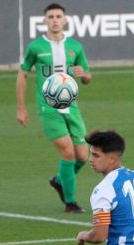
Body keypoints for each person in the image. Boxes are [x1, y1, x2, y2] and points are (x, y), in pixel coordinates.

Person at [16, 3, 91, 213]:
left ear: (65, 20)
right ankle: (71, 202)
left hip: (72, 108)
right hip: (48, 108)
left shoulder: (75, 47)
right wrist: (21, 108)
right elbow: (22, 75)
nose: (55, 20)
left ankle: (60, 181)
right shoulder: (35, 48)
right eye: (51, 17)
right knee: (68, 152)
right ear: (44, 21)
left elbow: (87, 77)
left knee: (83, 156)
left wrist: (83, 74)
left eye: (59, 16)